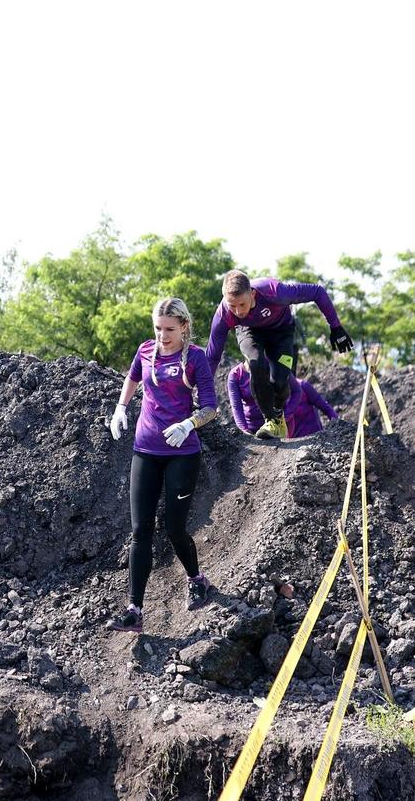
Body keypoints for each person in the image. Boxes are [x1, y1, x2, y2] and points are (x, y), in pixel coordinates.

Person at [105, 297, 219, 634]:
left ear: (184, 326)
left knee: (173, 528)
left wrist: (188, 424)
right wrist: (121, 408)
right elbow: (132, 377)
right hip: (145, 449)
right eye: (157, 328)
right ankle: (134, 610)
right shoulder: (146, 351)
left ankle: (197, 579)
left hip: (182, 453)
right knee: (140, 531)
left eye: (169, 329)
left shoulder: (195, 358)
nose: (162, 335)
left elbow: (211, 407)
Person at [205, 271, 352, 440]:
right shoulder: (224, 313)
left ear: (252, 294)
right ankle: (272, 420)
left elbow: (317, 291)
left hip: (281, 333)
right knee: (256, 364)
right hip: (250, 333)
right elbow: (212, 356)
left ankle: (278, 416)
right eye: (232, 306)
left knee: (281, 381)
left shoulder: (274, 292)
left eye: (242, 304)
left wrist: (336, 327)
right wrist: (202, 390)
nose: (237, 311)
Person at [228, 363, 338, 437]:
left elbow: (326, 407)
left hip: (309, 434)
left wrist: (338, 428)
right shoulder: (236, 375)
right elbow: (236, 407)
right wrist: (244, 431)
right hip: (264, 428)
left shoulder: (303, 386)